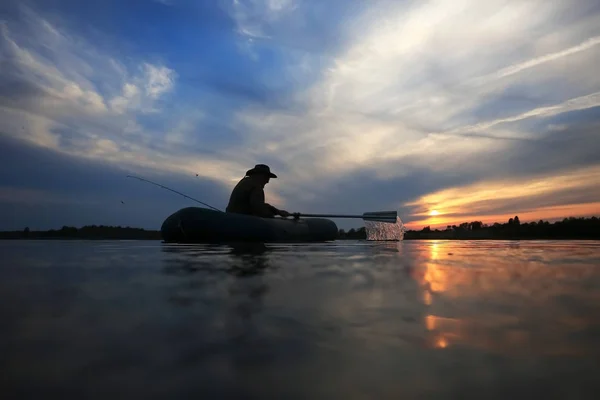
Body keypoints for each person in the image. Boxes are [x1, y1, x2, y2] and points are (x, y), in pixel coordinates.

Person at [226, 164, 292, 218]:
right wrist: (272, 218)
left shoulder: (245, 182)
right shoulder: (256, 186)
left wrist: (277, 211)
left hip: (232, 218)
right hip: (240, 222)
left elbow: (258, 204)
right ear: (260, 175)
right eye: (266, 177)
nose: (267, 181)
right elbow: (258, 208)